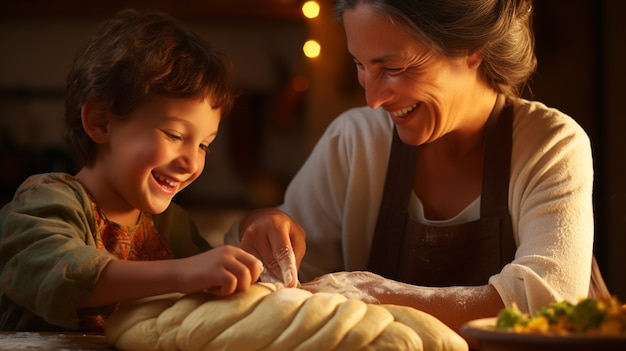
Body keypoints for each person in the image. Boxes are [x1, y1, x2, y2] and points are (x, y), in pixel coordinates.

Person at [226, 0, 598, 336]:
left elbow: (549, 304)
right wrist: (260, 228)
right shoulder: (355, 142)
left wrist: (382, 295)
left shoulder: (550, 145)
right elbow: (287, 281)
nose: (373, 99)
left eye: (394, 67)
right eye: (361, 65)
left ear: (471, 49)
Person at [0, 9, 264, 332]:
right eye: (175, 135)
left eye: (203, 145)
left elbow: (215, 284)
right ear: (100, 121)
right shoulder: (45, 201)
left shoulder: (171, 227)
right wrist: (180, 273)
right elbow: (59, 276)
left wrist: (260, 230)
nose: (192, 163)